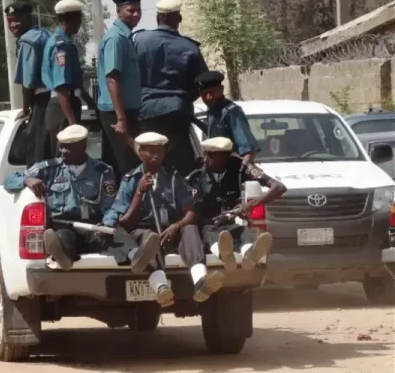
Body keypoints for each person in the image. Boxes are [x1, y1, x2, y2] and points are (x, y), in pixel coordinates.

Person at [4, 124, 159, 272]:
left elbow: (112, 205)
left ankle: (136, 258)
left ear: (83, 146)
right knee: (62, 238)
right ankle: (62, 255)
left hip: (94, 226)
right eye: (61, 146)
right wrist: (26, 180)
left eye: (68, 147)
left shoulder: (103, 171)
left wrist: (107, 223)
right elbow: (9, 180)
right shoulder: (49, 169)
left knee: (115, 235)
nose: (62, 151)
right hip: (64, 224)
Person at [103, 132, 225, 307]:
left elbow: (190, 213)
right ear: (140, 152)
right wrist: (139, 192)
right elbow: (126, 222)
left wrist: (176, 226)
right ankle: (161, 288)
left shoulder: (174, 178)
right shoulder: (130, 180)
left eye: (159, 151)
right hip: (144, 232)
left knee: (190, 229)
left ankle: (200, 281)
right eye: (151, 151)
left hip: (169, 231)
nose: (156, 156)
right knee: (148, 237)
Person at [132, 0, 209, 178]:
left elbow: (128, 76)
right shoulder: (190, 47)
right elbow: (203, 82)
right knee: (181, 166)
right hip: (178, 112)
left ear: (158, 18)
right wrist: (182, 98)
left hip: (146, 111)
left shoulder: (138, 41)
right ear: (179, 19)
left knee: (148, 161)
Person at [186, 137, 287, 271]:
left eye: (210, 155)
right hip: (209, 224)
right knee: (212, 235)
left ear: (224, 157)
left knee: (243, 231)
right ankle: (225, 256)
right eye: (205, 154)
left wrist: (248, 206)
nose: (204, 160)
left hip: (233, 221)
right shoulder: (196, 177)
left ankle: (250, 255)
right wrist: (214, 219)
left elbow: (279, 187)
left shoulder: (241, 167)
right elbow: (192, 213)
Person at [42, 0, 96, 159]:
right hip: (62, 107)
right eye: (80, 19)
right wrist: (72, 123)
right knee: (65, 158)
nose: (80, 24)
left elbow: (75, 81)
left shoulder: (59, 41)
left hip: (64, 104)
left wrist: (91, 102)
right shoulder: (62, 46)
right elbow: (61, 87)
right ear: (73, 19)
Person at [97, 0, 143, 178]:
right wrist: (121, 119)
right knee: (128, 167)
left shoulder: (125, 37)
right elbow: (112, 78)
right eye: (131, 11)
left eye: (138, 11)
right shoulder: (116, 38)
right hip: (118, 113)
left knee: (121, 166)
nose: (136, 15)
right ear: (119, 12)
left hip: (125, 112)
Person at [4, 2, 52, 167]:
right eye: (10, 21)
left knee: (36, 156)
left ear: (28, 18)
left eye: (17, 20)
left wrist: (25, 109)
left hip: (43, 101)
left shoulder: (27, 41)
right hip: (59, 98)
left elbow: (28, 82)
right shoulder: (44, 33)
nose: (13, 25)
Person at [197, 70, 261, 165]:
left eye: (212, 92)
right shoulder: (212, 111)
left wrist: (239, 172)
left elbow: (249, 152)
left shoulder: (231, 112)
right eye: (204, 93)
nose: (208, 97)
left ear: (222, 89)